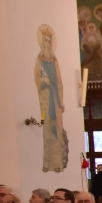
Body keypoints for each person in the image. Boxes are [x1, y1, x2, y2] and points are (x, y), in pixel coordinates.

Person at [34, 25, 68, 172]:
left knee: (57, 130)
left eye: (49, 41)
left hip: (55, 98)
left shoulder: (54, 61)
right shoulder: (39, 61)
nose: (47, 44)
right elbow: (37, 79)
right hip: (46, 99)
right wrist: (43, 82)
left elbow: (59, 81)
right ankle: (47, 163)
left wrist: (61, 100)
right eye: (45, 41)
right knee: (48, 130)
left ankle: (59, 163)